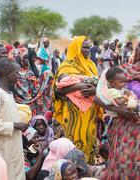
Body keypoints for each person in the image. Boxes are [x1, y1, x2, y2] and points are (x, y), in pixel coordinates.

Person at [98, 38, 140, 179]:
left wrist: (139, 107)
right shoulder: (123, 72)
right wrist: (119, 110)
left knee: (136, 163)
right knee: (120, 162)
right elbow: (98, 96)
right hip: (121, 126)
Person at [53, 36, 100, 164]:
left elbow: (99, 84)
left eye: (89, 47)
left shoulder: (91, 64)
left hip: (90, 113)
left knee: (89, 142)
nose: (88, 50)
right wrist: (80, 86)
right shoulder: (66, 66)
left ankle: (87, 170)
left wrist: (94, 90)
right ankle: (72, 172)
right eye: (85, 47)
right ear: (76, 49)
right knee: (73, 145)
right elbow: (57, 90)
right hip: (74, 115)